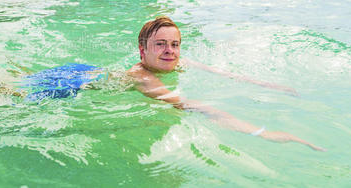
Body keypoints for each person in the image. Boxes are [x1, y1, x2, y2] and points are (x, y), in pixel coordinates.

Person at [127, 17, 324, 151]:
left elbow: (226, 74)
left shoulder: (178, 63)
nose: (170, 50)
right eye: (160, 44)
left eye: (175, 44)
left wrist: (270, 86)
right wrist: (263, 133)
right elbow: (190, 105)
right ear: (142, 50)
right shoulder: (141, 76)